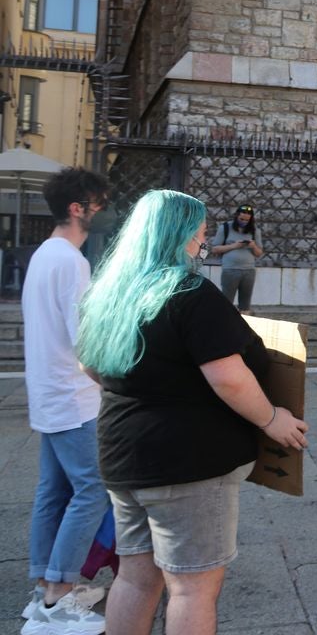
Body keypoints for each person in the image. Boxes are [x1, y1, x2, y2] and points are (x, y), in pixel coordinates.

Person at [76, 190, 308, 635]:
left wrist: (146, 391)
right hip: (187, 464)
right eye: (200, 234)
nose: (203, 243)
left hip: (123, 456)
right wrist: (271, 419)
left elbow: (88, 364)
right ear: (180, 235)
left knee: (135, 576)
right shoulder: (189, 291)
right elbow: (229, 378)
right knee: (192, 588)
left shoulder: (110, 291)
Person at [20, 168, 111, 634]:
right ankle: (58, 595)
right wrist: (112, 384)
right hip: (74, 399)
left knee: (52, 492)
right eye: (96, 203)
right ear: (78, 208)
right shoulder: (72, 262)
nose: (100, 210)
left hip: (47, 394)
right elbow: (86, 342)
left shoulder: (44, 255)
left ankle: (44, 589)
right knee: (92, 489)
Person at [209, 204, 264, 314]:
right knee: (226, 301)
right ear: (236, 216)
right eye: (241, 219)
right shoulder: (225, 228)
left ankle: (244, 323)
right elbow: (214, 249)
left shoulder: (254, 231)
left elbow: (259, 253)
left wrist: (253, 246)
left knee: (245, 304)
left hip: (248, 271)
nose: (244, 221)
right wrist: (234, 246)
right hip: (230, 270)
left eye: (247, 220)